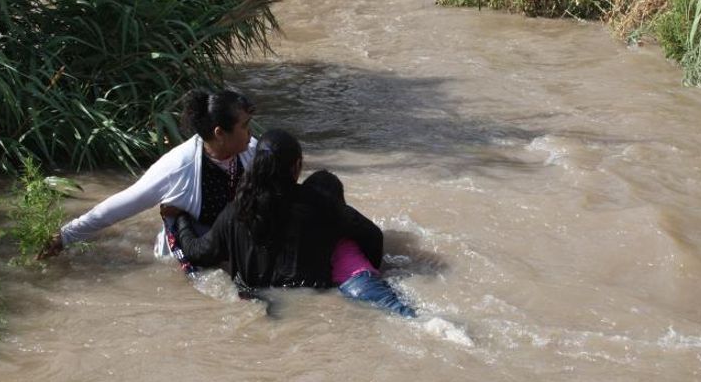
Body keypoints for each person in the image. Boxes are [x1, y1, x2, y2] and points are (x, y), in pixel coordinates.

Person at [38, 89, 258, 260]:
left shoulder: (253, 151)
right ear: (219, 133)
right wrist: (65, 236)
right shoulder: (179, 166)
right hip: (185, 259)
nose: (251, 133)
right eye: (245, 126)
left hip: (229, 247)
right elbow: (122, 205)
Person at [161, 129, 383, 290]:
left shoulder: (236, 211)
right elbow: (374, 236)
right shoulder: (322, 204)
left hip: (255, 300)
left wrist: (181, 218)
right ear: (297, 166)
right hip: (313, 299)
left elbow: (197, 253)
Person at [303, 170, 417, 318]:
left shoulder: (305, 225)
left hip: (344, 286)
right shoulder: (348, 220)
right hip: (361, 282)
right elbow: (375, 235)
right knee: (408, 316)